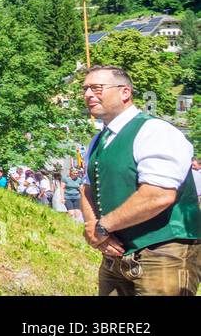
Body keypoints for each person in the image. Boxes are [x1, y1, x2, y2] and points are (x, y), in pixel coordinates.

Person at [78, 65, 200, 296]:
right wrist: (93, 227)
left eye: (97, 88)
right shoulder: (98, 140)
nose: (88, 94)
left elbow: (158, 195)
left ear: (125, 92)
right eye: (85, 89)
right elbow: (87, 188)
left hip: (163, 252)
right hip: (115, 254)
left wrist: (103, 226)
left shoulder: (155, 131)